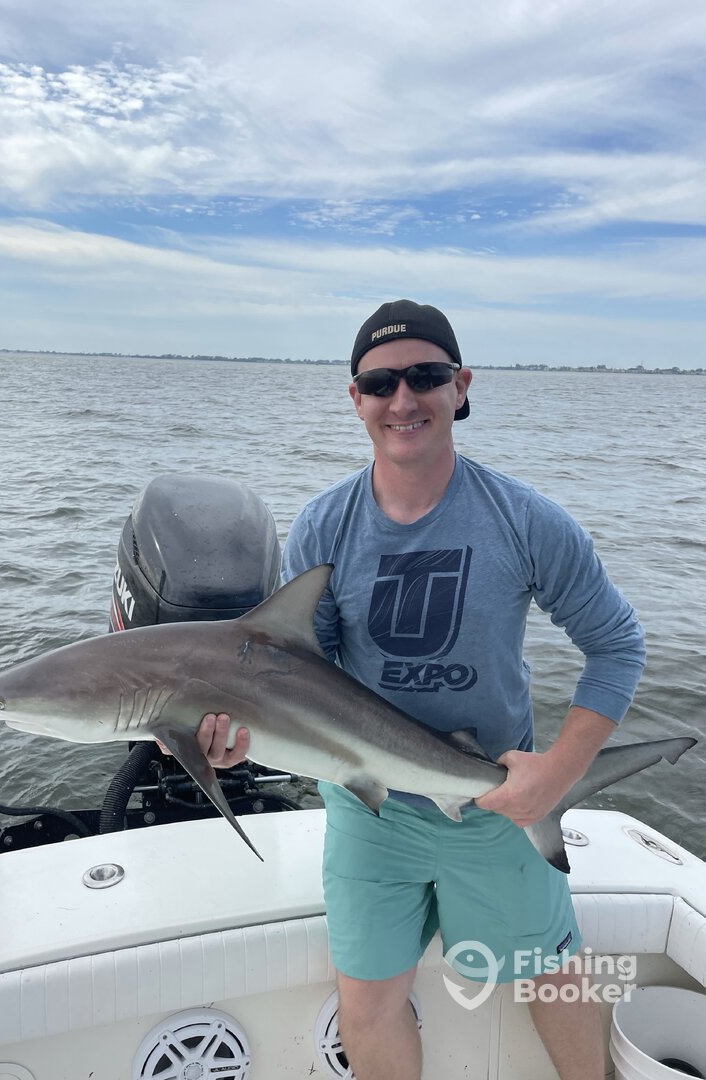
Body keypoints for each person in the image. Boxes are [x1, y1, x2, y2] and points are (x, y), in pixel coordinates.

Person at [195, 299, 646, 1080]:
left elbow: (617, 645)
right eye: (380, 384)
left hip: (497, 804)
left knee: (550, 976)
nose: (402, 400)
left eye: (425, 377)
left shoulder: (526, 521)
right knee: (368, 1004)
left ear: (460, 386)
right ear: (356, 399)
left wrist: (557, 774)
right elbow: (298, 677)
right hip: (370, 811)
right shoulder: (323, 528)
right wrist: (242, 737)